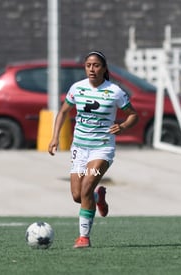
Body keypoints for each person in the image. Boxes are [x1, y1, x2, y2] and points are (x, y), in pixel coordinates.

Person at [48, 51, 138, 248]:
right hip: (79, 148)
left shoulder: (115, 91)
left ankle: (84, 238)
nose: (92, 69)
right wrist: (55, 137)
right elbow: (63, 111)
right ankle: (98, 197)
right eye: (88, 65)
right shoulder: (77, 88)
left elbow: (133, 115)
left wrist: (122, 126)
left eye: (96, 65)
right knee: (78, 196)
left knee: (87, 186)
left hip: (102, 149)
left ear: (104, 68)